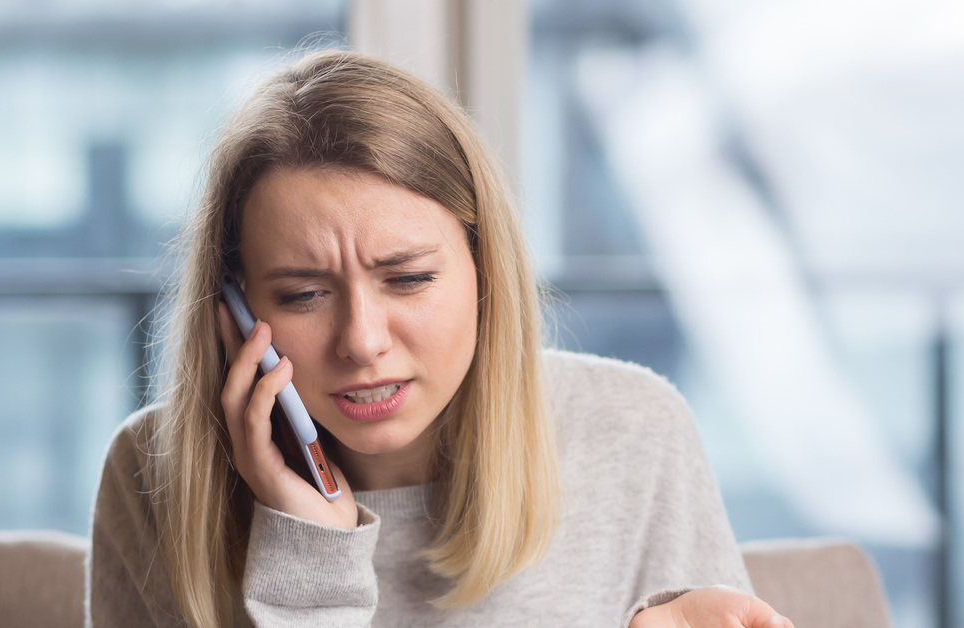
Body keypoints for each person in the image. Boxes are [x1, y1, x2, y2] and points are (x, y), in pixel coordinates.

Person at [87, 49, 794, 628]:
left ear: (486, 273)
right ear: (235, 310)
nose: (362, 341)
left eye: (408, 279)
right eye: (303, 295)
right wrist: (310, 563)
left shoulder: (633, 433)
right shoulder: (153, 476)